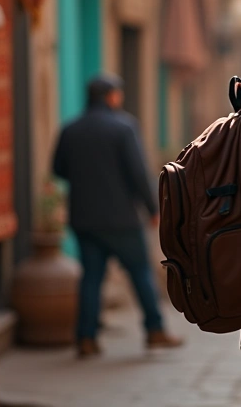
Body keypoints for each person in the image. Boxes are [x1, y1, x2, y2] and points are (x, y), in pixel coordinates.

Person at [52, 74, 184, 359]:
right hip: (121, 219)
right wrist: (153, 209)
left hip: (84, 219)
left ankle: (86, 339)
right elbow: (138, 173)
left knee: (91, 278)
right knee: (139, 273)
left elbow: (58, 168)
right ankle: (155, 330)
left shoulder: (71, 129)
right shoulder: (124, 127)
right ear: (111, 96)